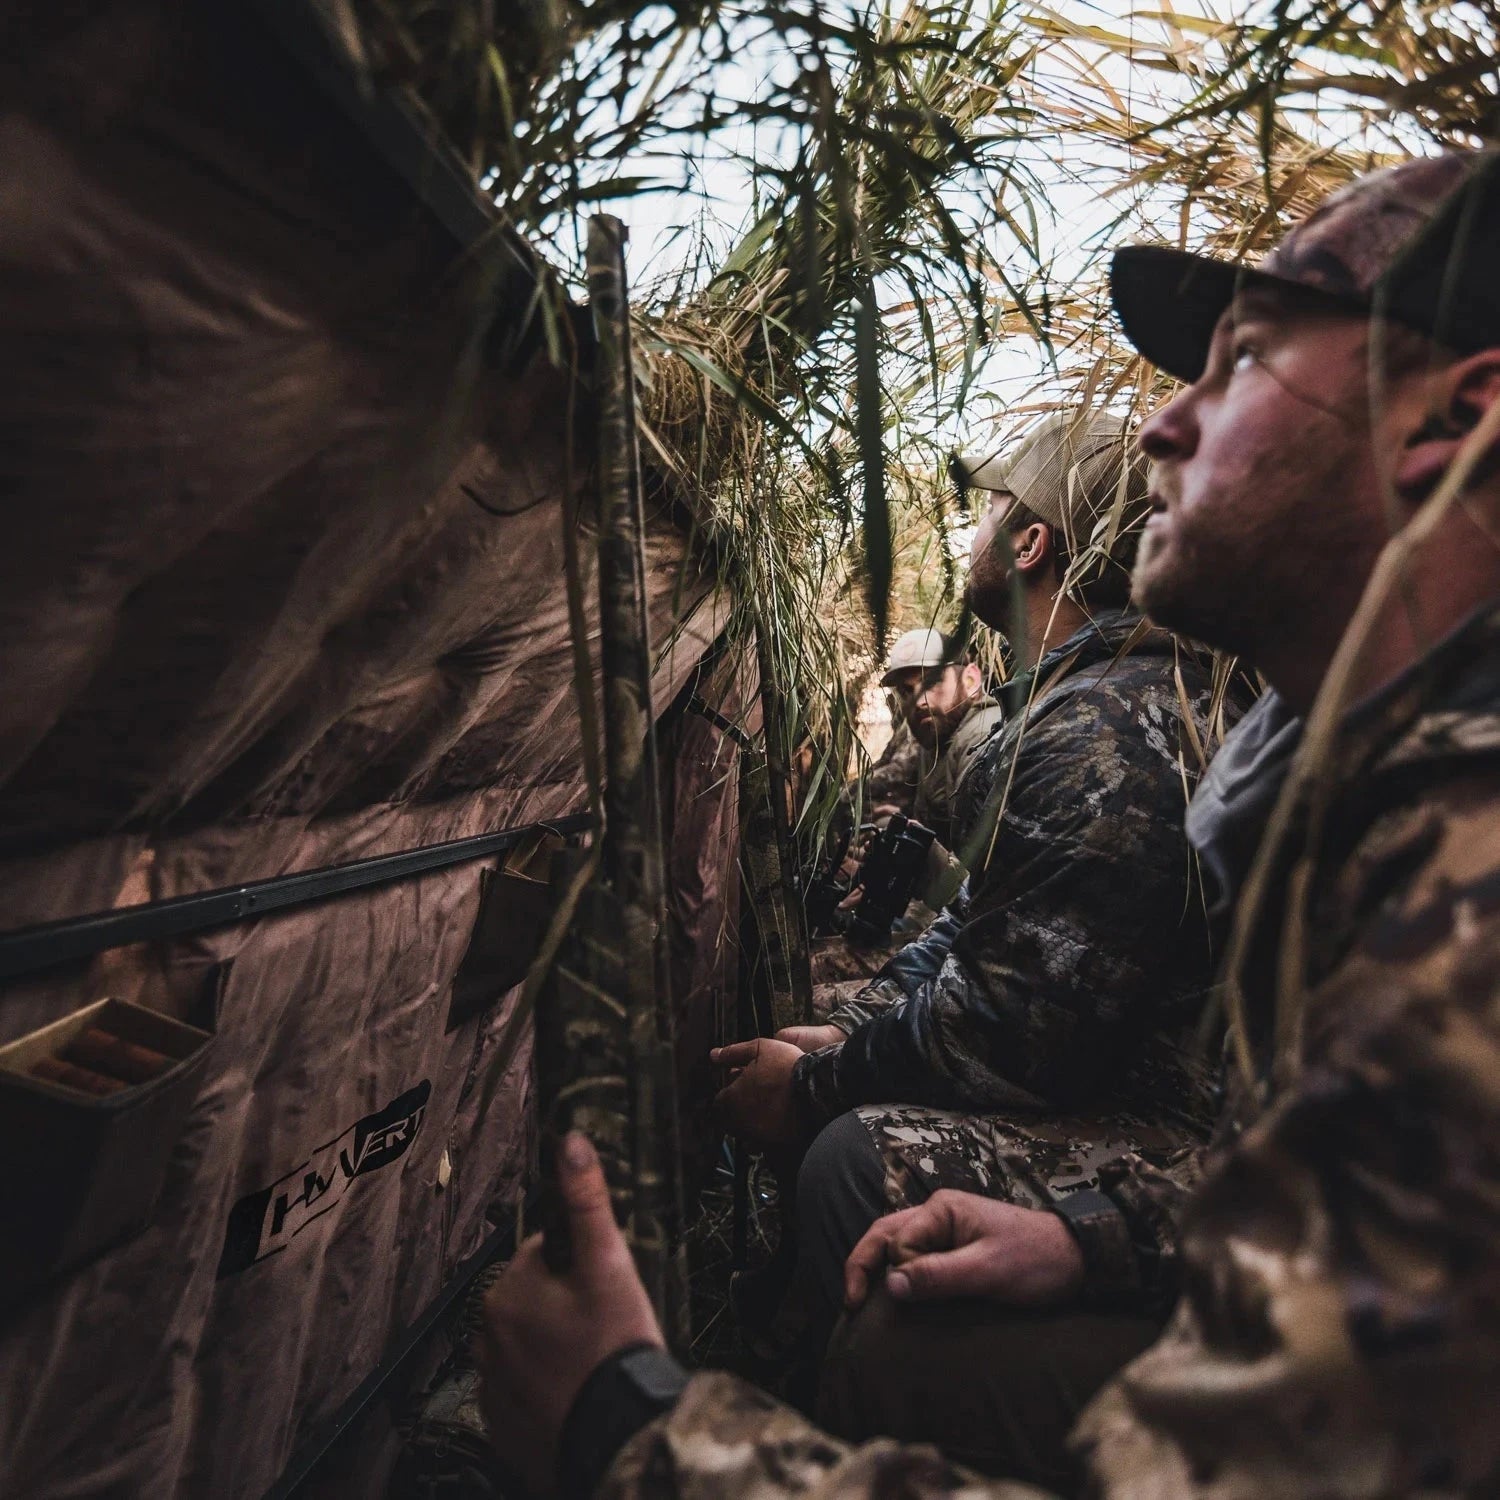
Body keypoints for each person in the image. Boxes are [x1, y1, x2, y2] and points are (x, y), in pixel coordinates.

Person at [478, 148, 1500, 1500]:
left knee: (866, 1190)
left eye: (1240, 360)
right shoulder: (1363, 792)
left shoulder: (1456, 880)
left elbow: (1034, 1023)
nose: (1160, 425)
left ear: (1458, 417)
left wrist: (634, 1436)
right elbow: (1357, 1207)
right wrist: (1097, 1239)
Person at [716, 409, 1229, 1397]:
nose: (972, 532)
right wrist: (845, 1035)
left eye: (989, 509)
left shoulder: (1102, 729)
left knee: (850, 1158)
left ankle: (877, 1411)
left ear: (1032, 542)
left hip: (1172, 1129)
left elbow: (1009, 1035)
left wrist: (818, 1084)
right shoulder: (1089, 700)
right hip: (1118, 1075)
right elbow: (977, 928)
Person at [875, 627, 1003, 850]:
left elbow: (974, 866)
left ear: (971, 680)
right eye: (907, 691)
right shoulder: (936, 737)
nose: (919, 701)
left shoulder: (981, 735)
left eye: (932, 683)